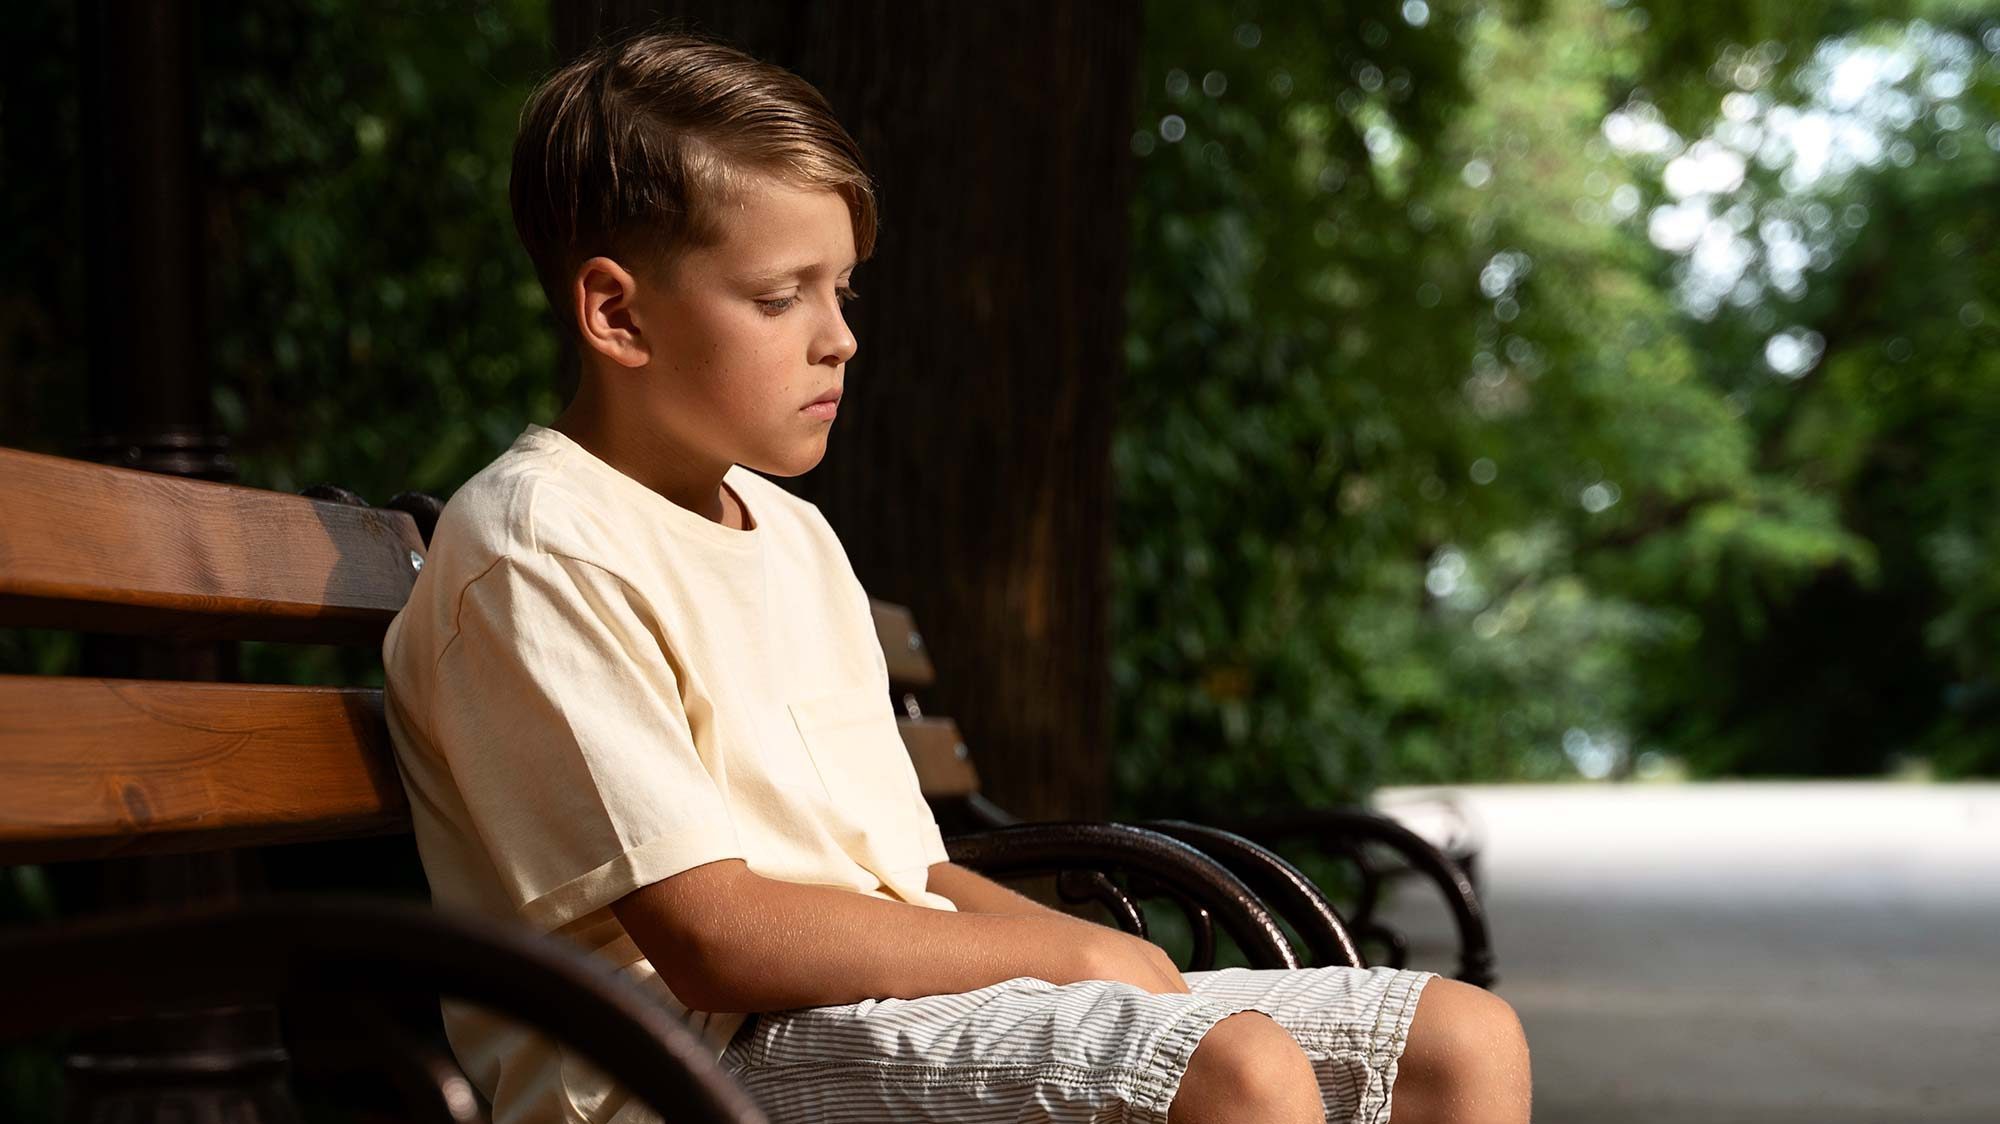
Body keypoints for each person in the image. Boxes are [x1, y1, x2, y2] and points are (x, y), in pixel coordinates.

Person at [381, 26, 1531, 1124]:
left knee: (1458, 1038)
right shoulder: (540, 543)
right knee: (1229, 1067)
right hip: (686, 1063)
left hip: (861, 1009)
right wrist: (1064, 947)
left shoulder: (790, 533)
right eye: (781, 296)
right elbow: (710, 934)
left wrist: (1086, 957)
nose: (838, 336)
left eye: (843, 291)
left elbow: (909, 874)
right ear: (615, 313)